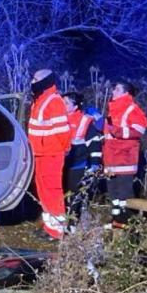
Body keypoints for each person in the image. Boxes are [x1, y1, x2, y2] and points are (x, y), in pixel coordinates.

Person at [27, 69, 71, 240]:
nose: (32, 81)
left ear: (45, 80)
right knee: (43, 191)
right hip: (40, 153)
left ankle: (57, 230)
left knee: (52, 191)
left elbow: (63, 131)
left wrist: (63, 149)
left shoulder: (53, 100)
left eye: (35, 78)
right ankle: (49, 227)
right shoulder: (40, 100)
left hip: (51, 154)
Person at [104, 80, 147, 228]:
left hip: (124, 158)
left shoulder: (132, 109)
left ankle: (128, 223)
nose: (113, 92)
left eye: (117, 89)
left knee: (124, 194)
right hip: (111, 159)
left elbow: (139, 129)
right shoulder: (113, 109)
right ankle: (117, 221)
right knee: (113, 194)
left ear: (126, 93)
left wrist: (115, 131)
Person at [62, 92, 104, 228]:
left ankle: (72, 226)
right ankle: (58, 226)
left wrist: (95, 164)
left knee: (75, 197)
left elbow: (95, 144)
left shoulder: (84, 121)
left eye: (66, 103)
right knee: (61, 196)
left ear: (75, 107)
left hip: (78, 165)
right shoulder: (59, 119)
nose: (63, 105)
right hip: (61, 165)